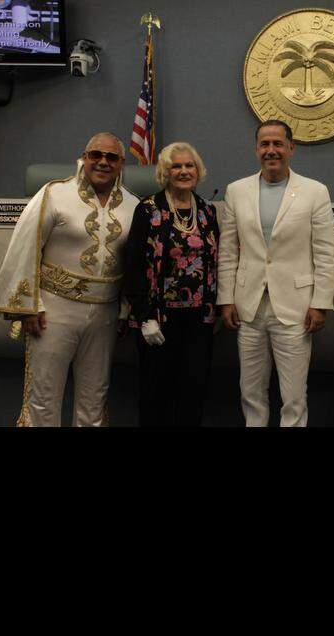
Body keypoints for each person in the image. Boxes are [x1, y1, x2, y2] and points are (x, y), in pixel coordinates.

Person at [0, 132, 139, 426]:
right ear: (84, 156)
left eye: (111, 157)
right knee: (44, 396)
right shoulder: (53, 193)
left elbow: (134, 265)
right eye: (96, 155)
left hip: (105, 315)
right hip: (52, 311)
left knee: (95, 398)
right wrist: (29, 305)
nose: (103, 162)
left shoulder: (135, 205)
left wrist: (124, 311)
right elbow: (25, 246)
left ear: (121, 163)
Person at [217, 120, 334, 427]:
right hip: (248, 307)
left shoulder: (315, 191)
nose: (271, 150)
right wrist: (226, 300)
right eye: (265, 144)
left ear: (291, 148)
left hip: (296, 308)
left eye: (278, 144)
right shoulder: (236, 191)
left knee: (294, 396)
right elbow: (229, 250)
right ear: (256, 149)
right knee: (250, 392)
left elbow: (325, 254)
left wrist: (320, 303)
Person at [120, 141, 219, 426]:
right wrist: (143, 316)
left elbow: (217, 261)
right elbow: (134, 264)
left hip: (200, 320)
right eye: (176, 166)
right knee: (156, 393)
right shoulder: (148, 209)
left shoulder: (207, 211)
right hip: (158, 319)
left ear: (197, 170)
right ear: (165, 172)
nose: (184, 171)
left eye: (189, 165)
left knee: (194, 391)